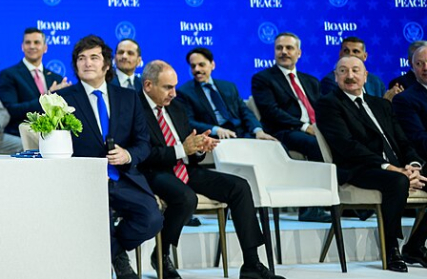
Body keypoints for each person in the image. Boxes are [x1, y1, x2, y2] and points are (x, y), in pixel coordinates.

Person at [139, 60, 283, 279]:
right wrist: (182, 149)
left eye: (175, 87)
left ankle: (252, 263)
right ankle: (162, 253)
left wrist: (199, 148)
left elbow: (190, 146)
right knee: (186, 198)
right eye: (168, 87)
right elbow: (142, 154)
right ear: (148, 86)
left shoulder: (176, 108)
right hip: (154, 172)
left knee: (239, 186)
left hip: (185, 169)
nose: (174, 94)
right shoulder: (134, 109)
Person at [56, 35, 161, 279]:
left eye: (94, 57)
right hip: (82, 181)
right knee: (95, 219)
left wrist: (127, 155)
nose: (87, 63)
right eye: (81, 58)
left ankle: (114, 252)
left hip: (123, 177)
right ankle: (121, 264)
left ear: (106, 64)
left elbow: (143, 143)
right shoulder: (63, 99)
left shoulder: (128, 97)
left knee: (152, 219)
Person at [318, 56, 427, 272]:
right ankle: (391, 248)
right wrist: (391, 168)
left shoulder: (381, 105)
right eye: (343, 71)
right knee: (396, 181)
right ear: (335, 75)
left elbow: (402, 141)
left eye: (356, 70)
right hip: (358, 169)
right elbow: (347, 146)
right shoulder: (329, 104)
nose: (350, 76)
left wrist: (414, 166)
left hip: (397, 168)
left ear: (365, 75)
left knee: (404, 176)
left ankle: (414, 246)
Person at [251, 32, 328, 221]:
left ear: (299, 53)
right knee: (315, 144)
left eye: (289, 48)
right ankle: (310, 208)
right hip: (283, 131)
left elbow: (321, 110)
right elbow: (271, 112)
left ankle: (350, 204)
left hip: (314, 130)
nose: (284, 52)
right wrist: (304, 127)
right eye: (279, 48)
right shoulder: (263, 78)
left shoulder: (310, 81)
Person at [176, 48, 276, 141]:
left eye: (201, 65)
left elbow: (244, 111)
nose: (197, 69)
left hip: (241, 133)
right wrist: (216, 130)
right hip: (214, 137)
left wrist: (258, 131)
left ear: (212, 65)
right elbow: (189, 122)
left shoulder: (228, 86)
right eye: (193, 66)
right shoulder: (185, 92)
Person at [0, 27, 70, 135]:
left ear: (45, 48)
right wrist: (48, 97)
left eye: (36, 42)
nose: (32, 46)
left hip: (53, 136)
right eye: (28, 42)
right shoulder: (9, 75)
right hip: (21, 136)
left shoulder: (56, 78)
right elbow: (10, 111)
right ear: (22, 47)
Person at [320, 37, 399, 100]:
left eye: (355, 51)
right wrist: (385, 102)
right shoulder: (330, 81)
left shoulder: (376, 82)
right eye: (346, 51)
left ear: (365, 56)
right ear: (340, 54)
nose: (350, 54)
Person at [393, 45, 427, 157]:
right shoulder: (404, 100)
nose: (425, 68)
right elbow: (419, 140)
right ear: (412, 67)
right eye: (419, 64)